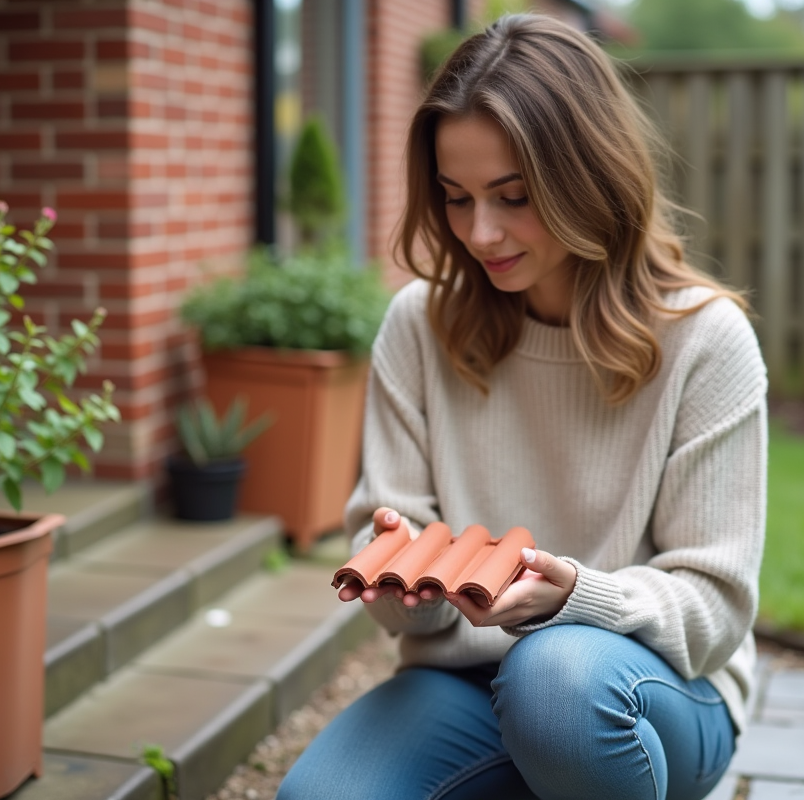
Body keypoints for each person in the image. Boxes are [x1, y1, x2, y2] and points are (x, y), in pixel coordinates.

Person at [278, 13, 766, 800]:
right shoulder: (418, 325)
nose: (480, 231)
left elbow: (715, 608)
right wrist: (407, 582)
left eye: (513, 196)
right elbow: (408, 600)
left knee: (556, 680)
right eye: (456, 197)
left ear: (589, 176)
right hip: (467, 687)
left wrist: (577, 597)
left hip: (652, 694)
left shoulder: (705, 340)